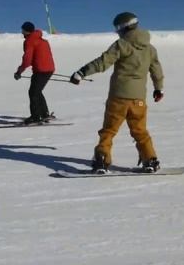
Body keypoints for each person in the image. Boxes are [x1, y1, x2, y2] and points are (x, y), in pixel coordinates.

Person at [69, 12, 164, 174]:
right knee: (140, 131)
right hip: (138, 100)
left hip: (118, 98)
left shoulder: (121, 45)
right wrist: (158, 88)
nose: (117, 32)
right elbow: (156, 69)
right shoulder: (150, 49)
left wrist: (82, 72)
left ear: (123, 28)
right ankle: (150, 159)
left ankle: (102, 160)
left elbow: (103, 62)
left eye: (117, 29)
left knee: (109, 131)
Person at [14, 21, 56, 125]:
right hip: (48, 69)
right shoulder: (43, 40)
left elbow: (27, 59)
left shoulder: (29, 41)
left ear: (26, 31)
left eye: (22, 30)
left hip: (41, 71)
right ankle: (44, 114)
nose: (21, 32)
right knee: (37, 91)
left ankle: (36, 117)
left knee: (33, 93)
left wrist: (19, 71)